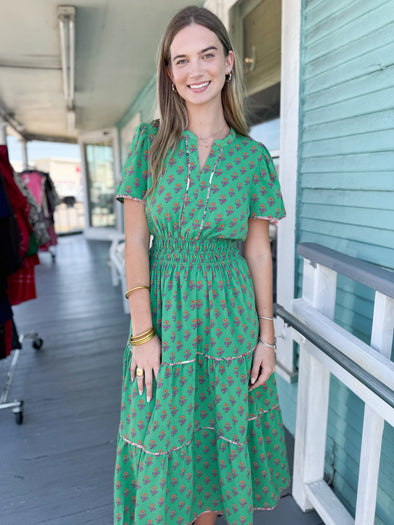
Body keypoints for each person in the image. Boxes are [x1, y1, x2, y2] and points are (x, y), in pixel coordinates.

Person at [113, 5, 290, 525]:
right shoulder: (149, 144)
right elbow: (135, 244)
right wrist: (143, 336)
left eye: (208, 55)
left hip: (230, 319)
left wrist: (267, 336)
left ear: (229, 62)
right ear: (170, 73)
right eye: (182, 59)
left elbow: (257, 251)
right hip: (164, 315)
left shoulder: (252, 158)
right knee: (162, 442)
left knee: (215, 447)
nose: (197, 70)